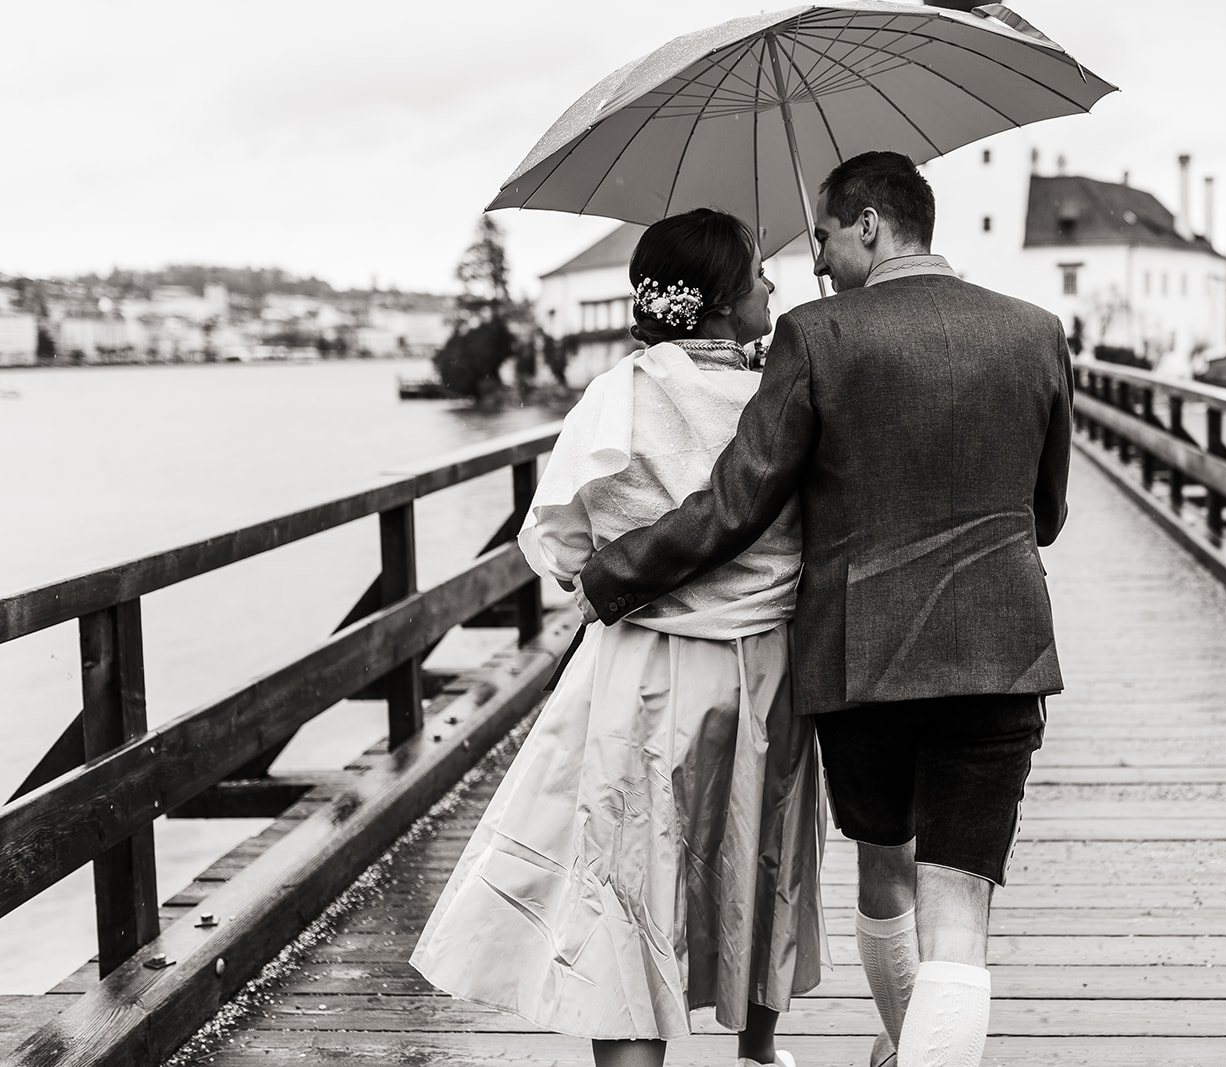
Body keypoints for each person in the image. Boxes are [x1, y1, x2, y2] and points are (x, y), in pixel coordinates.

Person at [575, 152, 1074, 1067]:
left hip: (862, 657)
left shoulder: (817, 335)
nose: (814, 261)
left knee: (886, 875)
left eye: (825, 237)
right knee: (960, 905)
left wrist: (612, 578)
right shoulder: (1037, 331)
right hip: (999, 650)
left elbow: (739, 501)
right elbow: (1045, 515)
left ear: (872, 225)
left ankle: (898, 1038)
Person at [411, 208, 826, 1067]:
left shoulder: (620, 395)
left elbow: (560, 548)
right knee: (760, 851)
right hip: (767, 673)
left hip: (647, 674)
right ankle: (759, 1049)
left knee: (629, 877)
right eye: (757, 273)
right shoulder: (780, 400)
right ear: (717, 301)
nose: (771, 286)